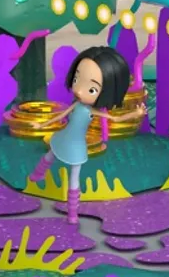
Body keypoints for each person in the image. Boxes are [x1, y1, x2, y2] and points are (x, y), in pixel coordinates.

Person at [29, 46, 145, 224]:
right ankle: (37, 176)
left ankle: (72, 213)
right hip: (64, 137)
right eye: (76, 79)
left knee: (74, 177)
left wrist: (135, 114)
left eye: (92, 89)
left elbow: (115, 118)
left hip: (77, 145)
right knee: (50, 155)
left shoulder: (92, 111)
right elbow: (59, 116)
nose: (79, 90)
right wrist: (41, 124)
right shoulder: (76, 105)